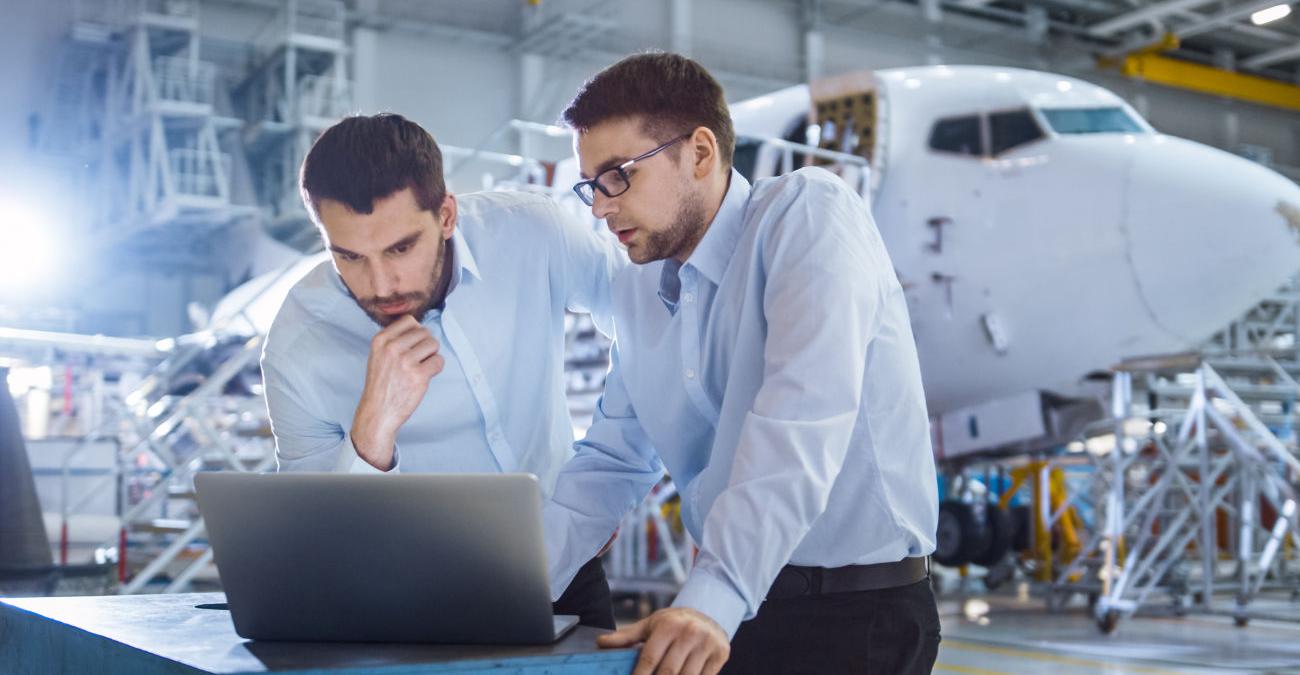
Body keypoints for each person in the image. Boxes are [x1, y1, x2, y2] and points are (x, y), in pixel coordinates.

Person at [543, 53, 940, 673]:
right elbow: (613, 457)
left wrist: (715, 597)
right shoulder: (638, 287)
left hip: (856, 615)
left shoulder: (807, 214)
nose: (599, 207)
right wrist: (516, 589)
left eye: (617, 175)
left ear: (699, 153)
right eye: (591, 184)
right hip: (730, 611)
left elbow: (799, 419)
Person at [261, 113, 625, 629]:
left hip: (566, 572)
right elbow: (320, 550)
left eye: (400, 248)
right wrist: (372, 432)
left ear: (447, 216)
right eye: (349, 256)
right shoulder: (299, 345)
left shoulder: (531, 232)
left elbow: (649, 322)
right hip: (404, 600)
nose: (381, 284)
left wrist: (602, 484)